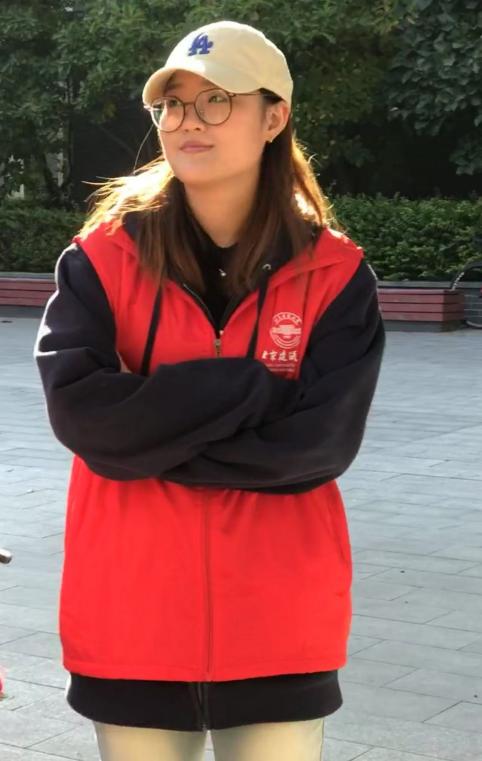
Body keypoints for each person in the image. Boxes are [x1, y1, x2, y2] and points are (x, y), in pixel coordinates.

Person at [33, 19, 386, 761]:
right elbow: (83, 417)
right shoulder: (100, 260)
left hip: (282, 617)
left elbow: (318, 446)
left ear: (274, 117)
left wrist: (147, 444)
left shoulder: (335, 275)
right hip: (129, 614)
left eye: (216, 101)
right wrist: (251, 390)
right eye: (172, 105)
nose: (188, 122)